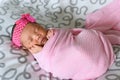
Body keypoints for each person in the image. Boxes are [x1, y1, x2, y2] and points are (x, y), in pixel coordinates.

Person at [11, 0, 120, 79]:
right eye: (30, 39)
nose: (36, 36)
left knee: (85, 41)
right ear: (26, 47)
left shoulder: (52, 32)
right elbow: (48, 65)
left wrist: (56, 33)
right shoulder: (37, 52)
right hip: (69, 61)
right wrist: (40, 53)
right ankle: (92, 63)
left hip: (81, 45)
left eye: (37, 30)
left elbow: (68, 33)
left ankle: (97, 53)